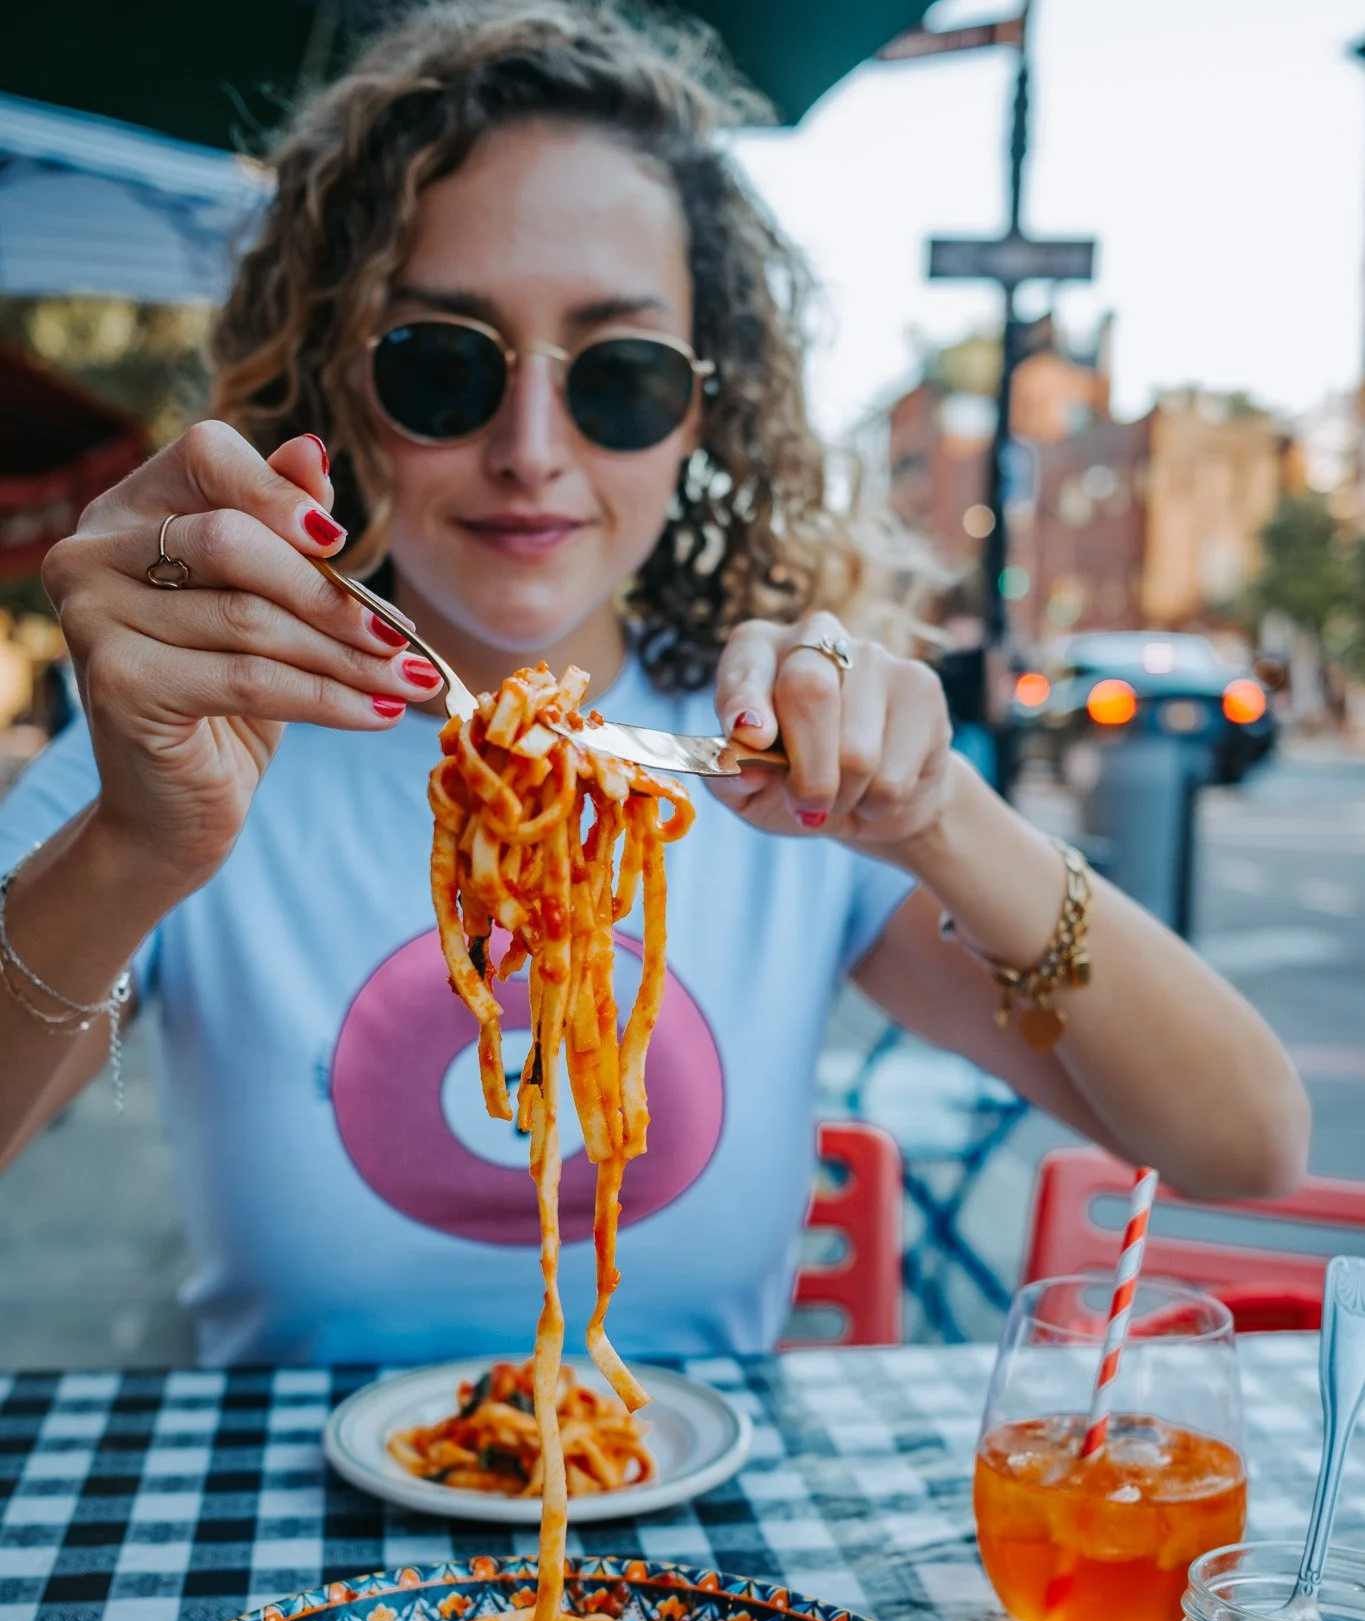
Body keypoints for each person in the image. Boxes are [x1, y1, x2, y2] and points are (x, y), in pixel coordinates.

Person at [0, 2, 1308, 1368]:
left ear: (705, 409)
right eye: (442, 363)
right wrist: (136, 849)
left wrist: (941, 816)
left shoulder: (779, 760)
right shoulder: (184, 738)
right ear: (337, 375)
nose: (530, 449)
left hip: (686, 1565)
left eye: (617, 380)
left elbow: (1241, 1144)